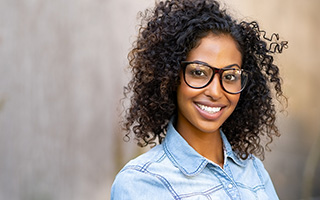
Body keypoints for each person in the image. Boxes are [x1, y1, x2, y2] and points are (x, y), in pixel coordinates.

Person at [111, 0, 288, 199]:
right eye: (198, 72)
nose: (215, 91)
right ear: (170, 77)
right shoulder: (140, 183)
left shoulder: (253, 170)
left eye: (230, 76)